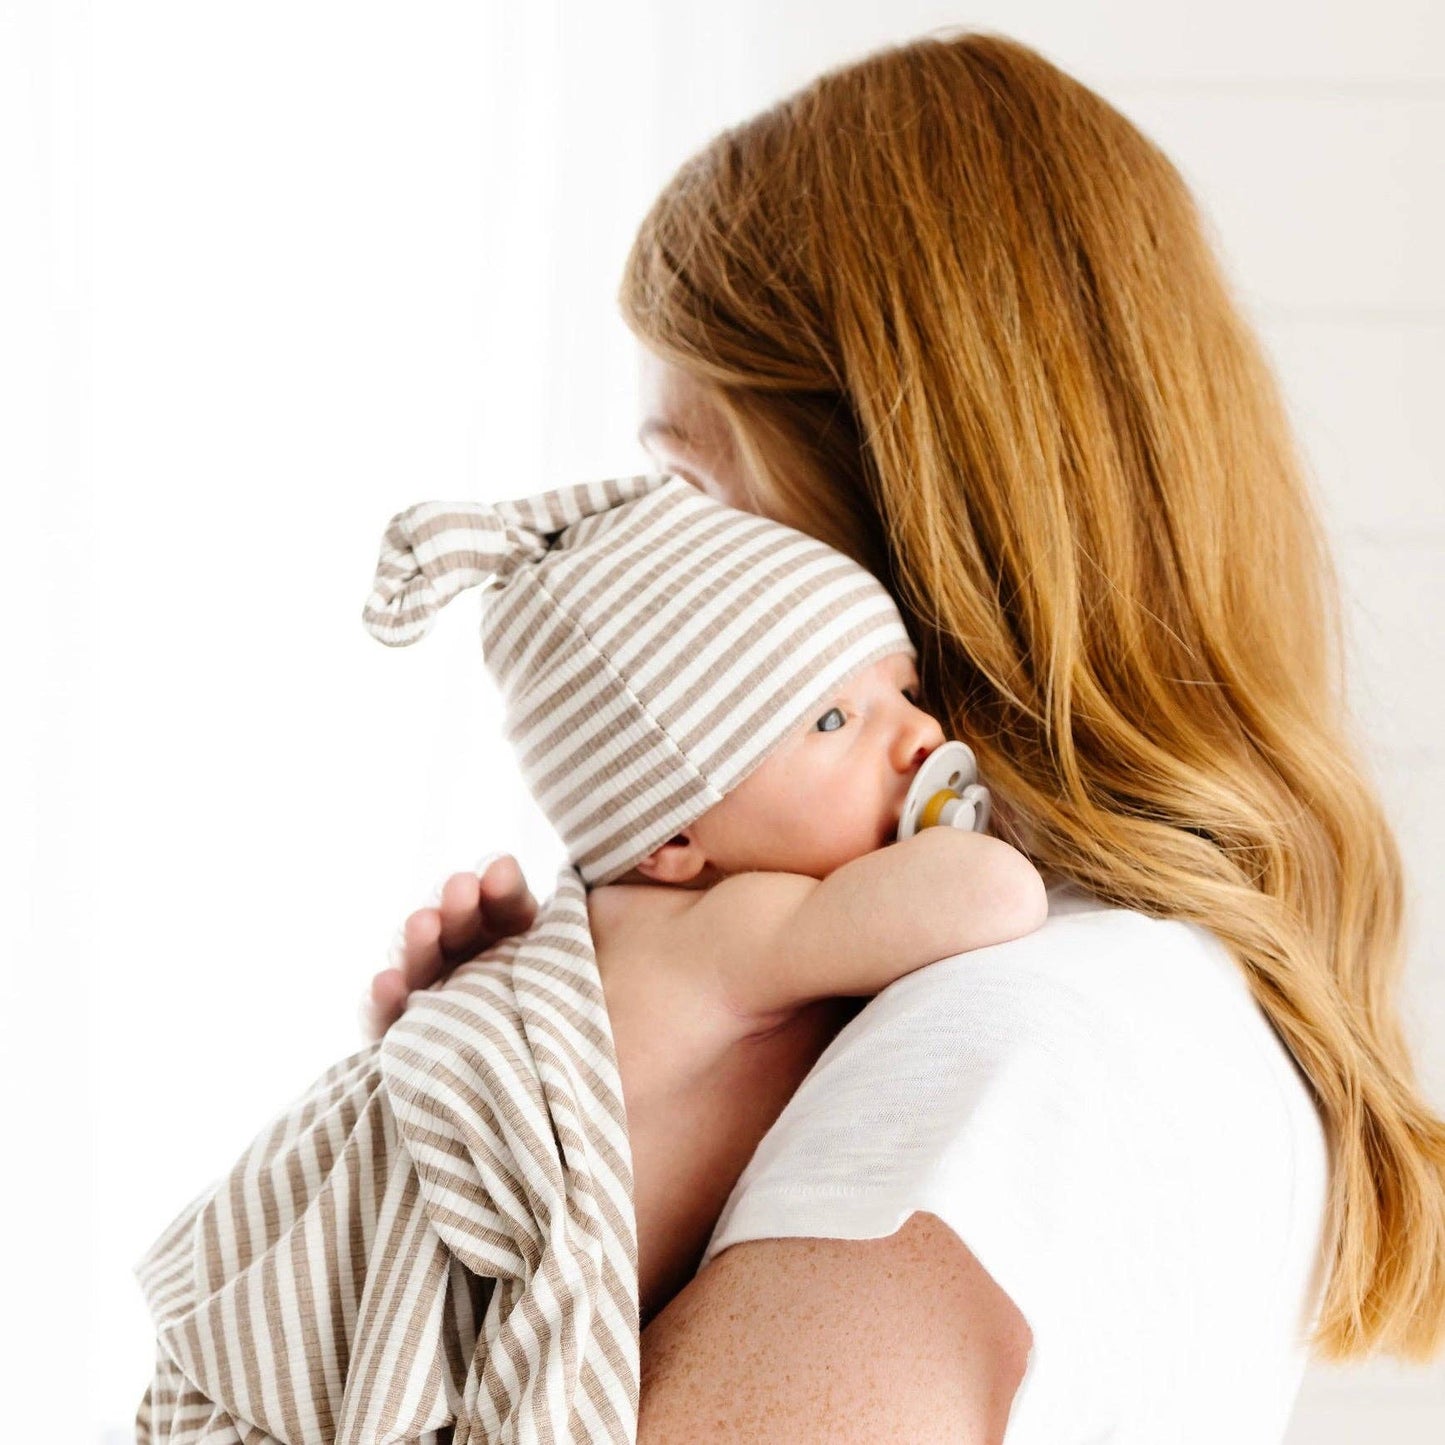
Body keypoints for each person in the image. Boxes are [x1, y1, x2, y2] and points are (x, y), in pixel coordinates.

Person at [362, 28, 1445, 1445]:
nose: (662, 587)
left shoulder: (984, 1057)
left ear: (912, 504)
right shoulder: (1143, 996)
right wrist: (552, 1149)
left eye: (695, 494)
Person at [134, 473, 1047, 1443]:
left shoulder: (665, 916)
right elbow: (998, 893)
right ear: (671, 840)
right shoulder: (729, 930)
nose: (917, 737)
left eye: (900, 690)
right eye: (833, 721)